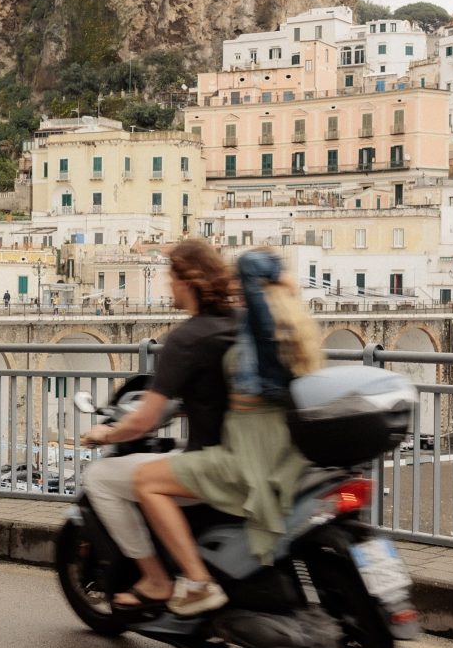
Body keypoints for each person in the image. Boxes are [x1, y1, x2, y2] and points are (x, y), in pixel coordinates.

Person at [133, 248, 322, 617]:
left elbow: (251, 272)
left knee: (145, 481)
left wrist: (274, 275)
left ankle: (197, 583)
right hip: (279, 452)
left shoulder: (259, 338)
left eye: (242, 285)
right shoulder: (295, 336)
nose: (234, 288)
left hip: (246, 457)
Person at [81, 239, 236, 611]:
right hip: (252, 457)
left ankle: (157, 579)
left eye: (170, 276)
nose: (168, 285)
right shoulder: (239, 325)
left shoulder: (186, 339)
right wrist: (188, 408)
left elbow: (144, 420)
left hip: (217, 465)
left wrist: (105, 432)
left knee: (102, 478)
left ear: (188, 281)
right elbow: (221, 392)